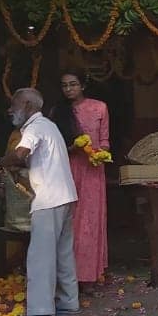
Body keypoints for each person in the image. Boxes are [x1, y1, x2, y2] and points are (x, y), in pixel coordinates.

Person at [0, 88, 79, 316]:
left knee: (39, 257)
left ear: (29, 105)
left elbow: (20, 154)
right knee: (63, 253)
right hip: (64, 196)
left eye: (15, 105)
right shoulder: (49, 126)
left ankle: (41, 310)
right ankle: (69, 302)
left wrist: (1, 162)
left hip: (49, 199)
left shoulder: (34, 127)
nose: (10, 110)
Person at [49, 70, 110, 289]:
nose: (68, 89)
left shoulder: (99, 107)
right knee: (70, 223)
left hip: (93, 171)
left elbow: (104, 140)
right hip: (67, 170)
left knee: (91, 223)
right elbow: (52, 147)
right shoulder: (58, 112)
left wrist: (101, 154)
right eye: (64, 85)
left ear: (82, 85)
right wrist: (73, 147)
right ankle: (68, 279)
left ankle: (89, 277)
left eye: (73, 84)